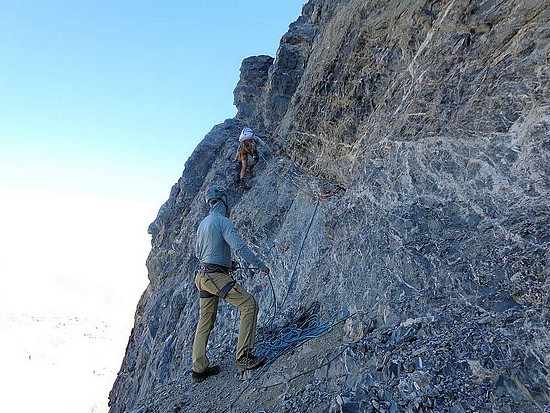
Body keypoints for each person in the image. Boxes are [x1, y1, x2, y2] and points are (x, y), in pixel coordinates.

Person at [191, 184, 270, 383]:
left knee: (205, 321)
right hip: (215, 276)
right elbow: (239, 246)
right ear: (223, 201)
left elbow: (200, 253)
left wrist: (226, 263)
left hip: (202, 276)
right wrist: (260, 265)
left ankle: (199, 370)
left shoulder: (203, 223)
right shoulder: (223, 221)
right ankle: (243, 357)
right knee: (249, 304)